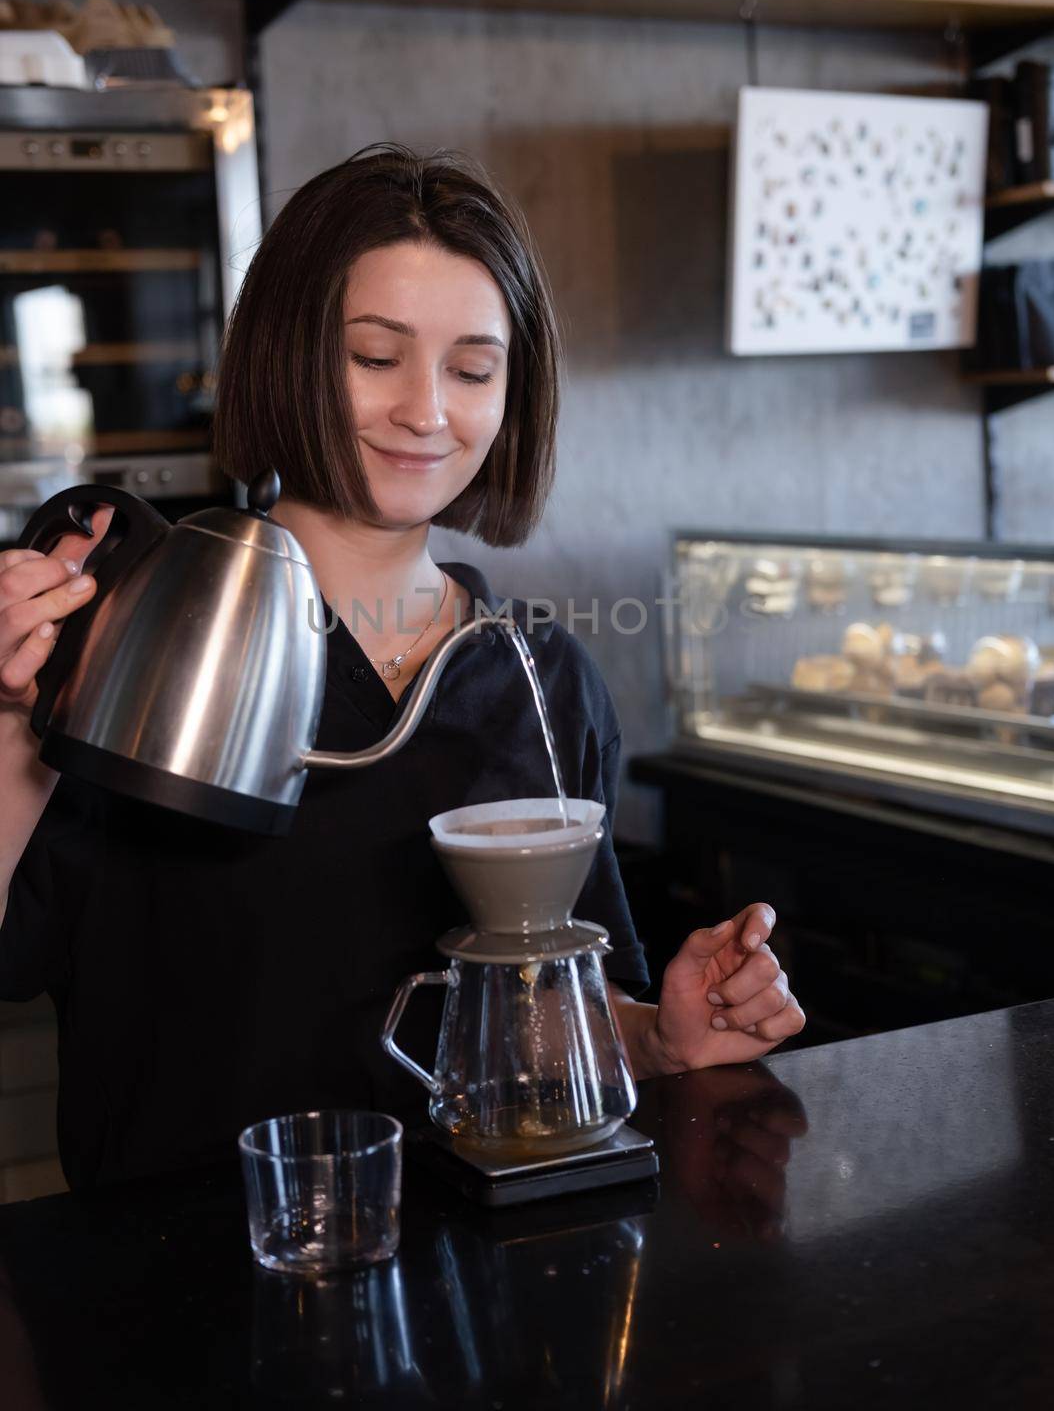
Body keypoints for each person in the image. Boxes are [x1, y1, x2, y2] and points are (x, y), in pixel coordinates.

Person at [0, 145, 805, 1190]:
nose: (426, 412)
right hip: (176, 1293)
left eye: (471, 370)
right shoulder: (145, 634)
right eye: (376, 358)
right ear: (290, 355)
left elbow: (551, 1012)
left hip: (482, 1292)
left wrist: (655, 1037)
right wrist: (16, 715)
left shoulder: (538, 679)